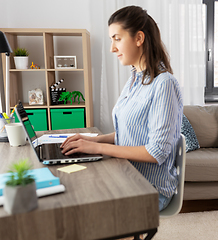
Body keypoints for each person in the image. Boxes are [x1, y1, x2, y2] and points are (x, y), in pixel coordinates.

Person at [61, 5, 183, 211]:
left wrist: (96, 148)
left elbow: (156, 152)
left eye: (117, 38)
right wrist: (92, 139)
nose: (112, 48)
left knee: (81, 208)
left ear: (139, 38)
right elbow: (131, 131)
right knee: (72, 189)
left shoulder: (164, 84)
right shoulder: (135, 79)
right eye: (112, 40)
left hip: (149, 188)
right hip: (126, 174)